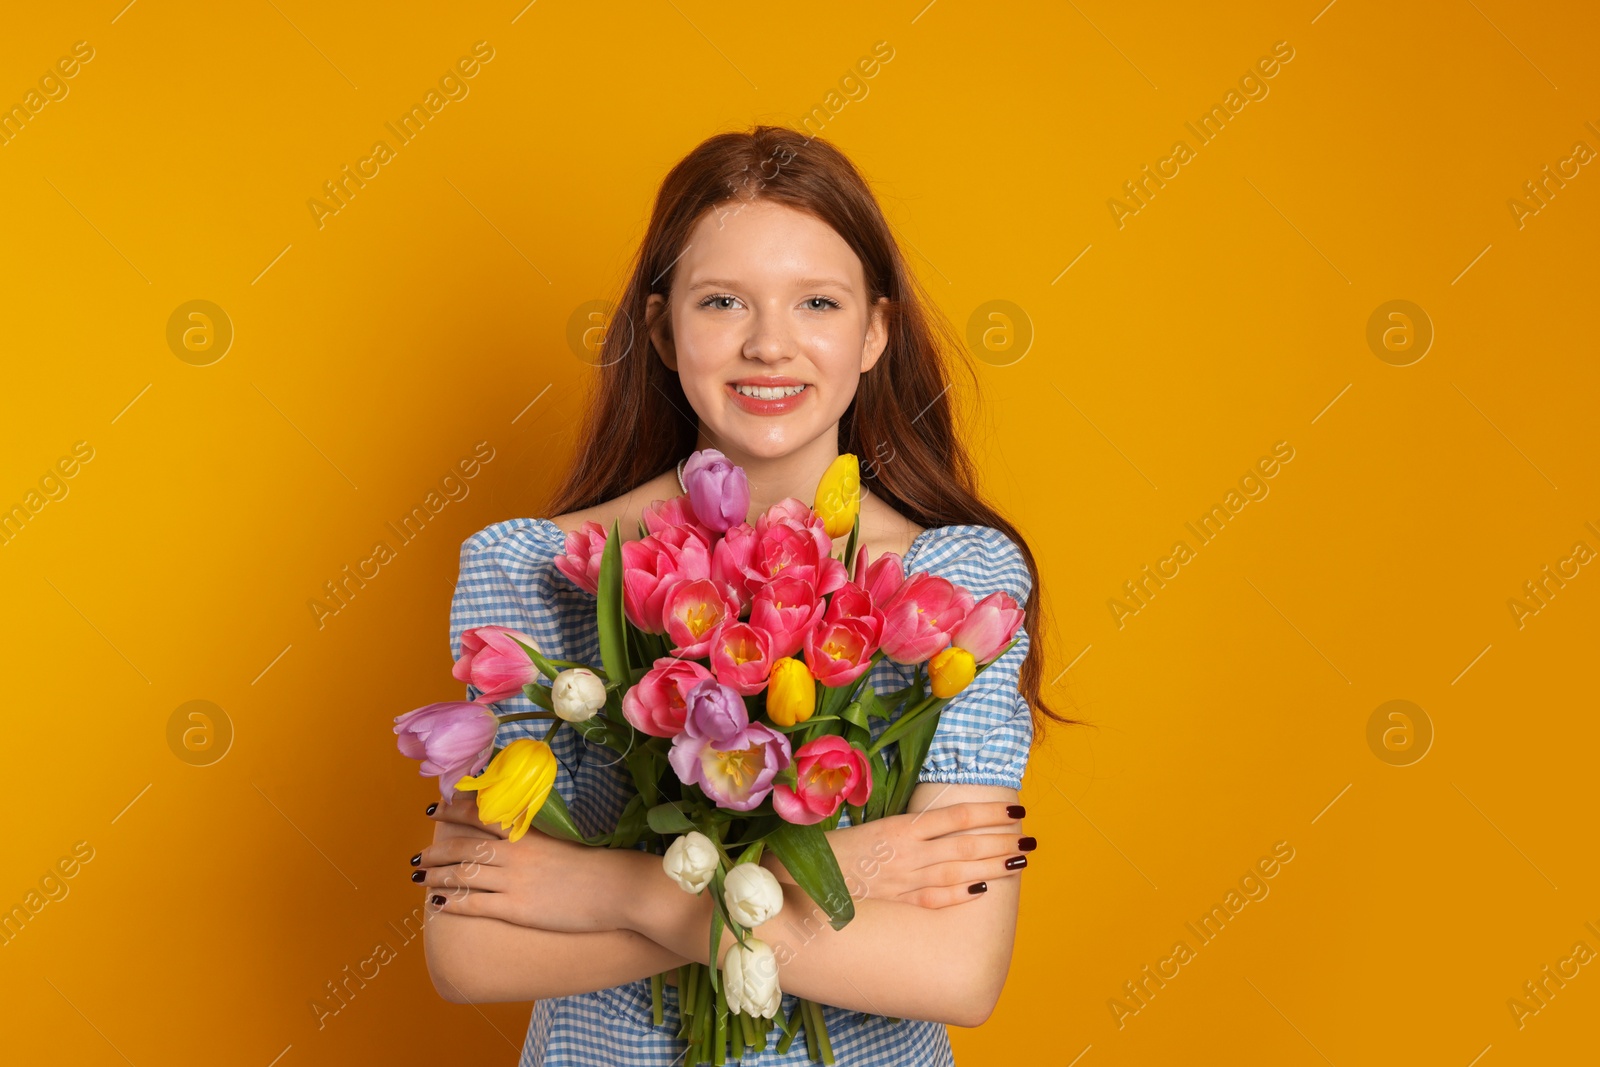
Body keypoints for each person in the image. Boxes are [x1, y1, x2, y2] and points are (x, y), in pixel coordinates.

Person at [411, 124, 1078, 1065]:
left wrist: (608, 891)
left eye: (817, 301)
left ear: (875, 330)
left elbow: (953, 971)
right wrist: (826, 878)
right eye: (722, 301)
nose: (770, 345)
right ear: (661, 327)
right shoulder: (532, 568)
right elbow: (471, 949)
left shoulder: (956, 584)